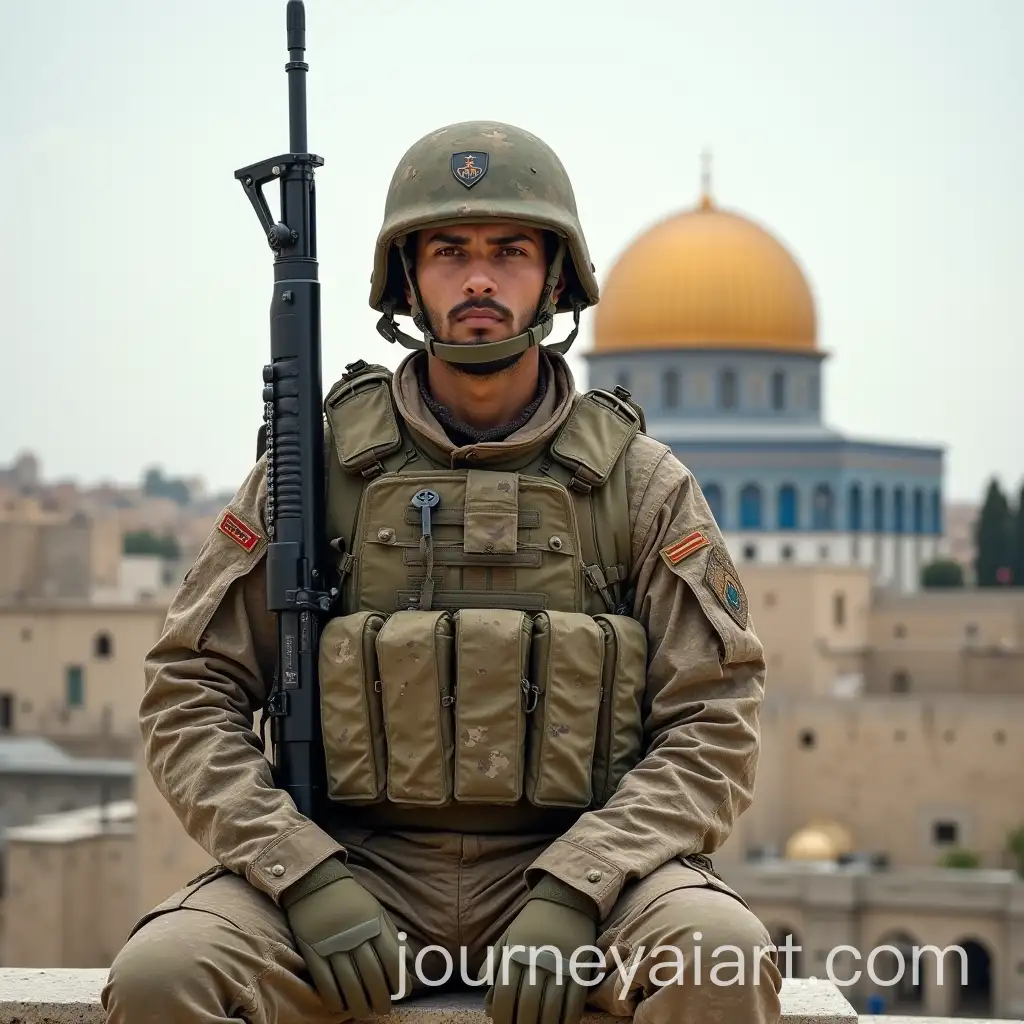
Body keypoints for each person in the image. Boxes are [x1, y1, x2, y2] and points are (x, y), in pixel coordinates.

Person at [102, 121, 781, 1024]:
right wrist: (300, 873)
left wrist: (580, 882)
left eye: (510, 251)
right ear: (408, 279)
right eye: (450, 252)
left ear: (555, 277)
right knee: (164, 976)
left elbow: (714, 719)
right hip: (352, 879)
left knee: (720, 958)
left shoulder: (640, 484)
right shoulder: (316, 472)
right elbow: (191, 692)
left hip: (589, 882)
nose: (479, 280)